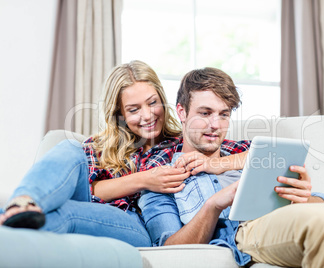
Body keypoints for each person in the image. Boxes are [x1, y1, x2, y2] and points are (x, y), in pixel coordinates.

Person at [138, 67, 324, 268]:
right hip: (249, 231)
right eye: (205, 113)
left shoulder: (252, 154)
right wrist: (214, 204)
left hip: (302, 216)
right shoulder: (160, 176)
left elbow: (316, 205)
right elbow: (168, 248)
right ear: (182, 113)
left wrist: (302, 196)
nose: (215, 125)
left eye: (224, 114)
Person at [0, 60, 193, 247]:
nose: (148, 115)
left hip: (136, 224)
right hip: (90, 207)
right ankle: (21, 204)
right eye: (133, 110)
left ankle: (8, 230)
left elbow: (222, 151)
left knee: (66, 212)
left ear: (162, 100)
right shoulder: (100, 146)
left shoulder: (182, 143)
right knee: (70, 147)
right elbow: (87, 189)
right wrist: (145, 180)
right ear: (120, 114)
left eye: (152, 103)